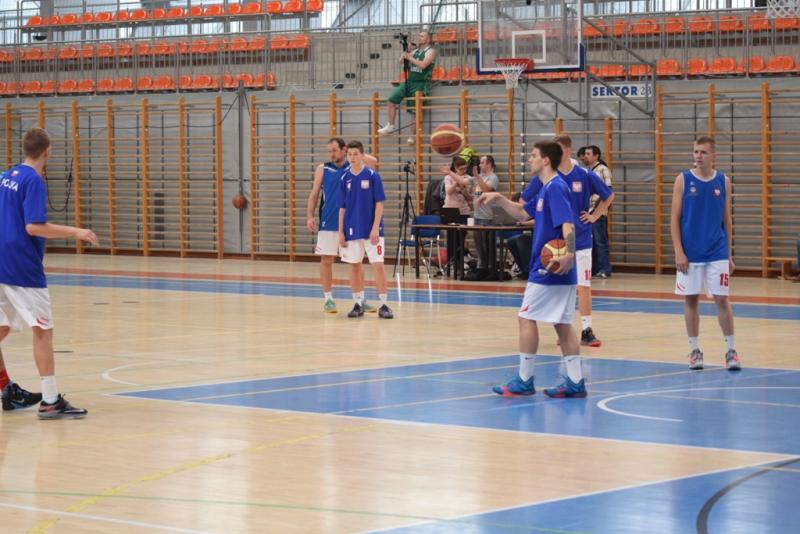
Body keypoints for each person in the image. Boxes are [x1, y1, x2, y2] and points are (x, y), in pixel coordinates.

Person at [0, 127, 97, 419]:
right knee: (42, 330)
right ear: (47, 151)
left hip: (2, 262)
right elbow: (33, 227)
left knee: (2, 328)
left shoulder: (6, 176)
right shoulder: (33, 180)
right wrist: (76, 231)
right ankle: (51, 400)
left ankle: (6, 388)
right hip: (21, 266)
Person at [478, 141, 586, 398]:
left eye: (534, 155)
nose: (530, 159)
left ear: (546, 160)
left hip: (549, 268)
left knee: (526, 317)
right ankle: (575, 381)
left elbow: (568, 224)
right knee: (562, 324)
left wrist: (570, 253)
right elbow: (521, 213)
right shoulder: (547, 188)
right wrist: (499, 198)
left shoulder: (556, 187)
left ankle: (525, 379)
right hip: (559, 269)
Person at [522, 136, 614, 347]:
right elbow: (524, 202)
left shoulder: (584, 174)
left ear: (567, 150)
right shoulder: (547, 176)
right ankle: (564, 330)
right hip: (553, 244)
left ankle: (587, 330)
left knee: (583, 285)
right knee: (561, 289)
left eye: (559, 149)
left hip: (580, 239)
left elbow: (608, 195)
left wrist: (595, 215)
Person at [670, 136, 741, 371]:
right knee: (691, 299)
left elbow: (726, 220)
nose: (698, 156)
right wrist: (679, 251)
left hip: (717, 251)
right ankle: (694, 351)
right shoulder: (683, 180)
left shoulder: (723, 181)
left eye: (703, 152)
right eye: (695, 152)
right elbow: (674, 218)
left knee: (722, 298)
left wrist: (728, 254)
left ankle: (731, 351)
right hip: (690, 253)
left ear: (713, 155)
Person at [306, 138, 378, 314]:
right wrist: (310, 216)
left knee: (356, 262)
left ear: (343, 150)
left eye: (334, 150)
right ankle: (328, 299)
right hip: (329, 220)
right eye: (329, 151)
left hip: (351, 222)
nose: (331, 154)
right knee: (326, 260)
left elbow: (374, 161)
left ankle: (360, 299)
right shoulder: (323, 169)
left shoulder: (354, 166)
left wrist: (353, 153)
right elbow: (314, 194)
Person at [338, 141, 394, 319]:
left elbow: (379, 204)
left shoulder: (372, 175)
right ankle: (357, 303)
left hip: (372, 230)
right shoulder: (344, 178)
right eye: (349, 154)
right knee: (354, 265)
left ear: (362, 156)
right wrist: (340, 232)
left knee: (378, 265)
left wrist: (375, 228)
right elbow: (342, 208)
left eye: (356, 154)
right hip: (351, 229)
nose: (352, 157)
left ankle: (384, 305)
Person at [377, 29, 437, 136]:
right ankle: (390, 126)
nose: (419, 38)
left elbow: (423, 65)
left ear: (428, 39)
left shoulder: (431, 51)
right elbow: (401, 61)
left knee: (415, 111)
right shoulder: (415, 51)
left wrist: (409, 57)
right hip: (409, 81)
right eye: (419, 36)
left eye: (422, 36)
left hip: (421, 83)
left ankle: (413, 136)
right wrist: (406, 51)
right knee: (391, 100)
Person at [469, 155, 500, 280]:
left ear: (489, 164)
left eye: (482, 163)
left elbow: (486, 189)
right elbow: (463, 181)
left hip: (487, 217)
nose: (480, 165)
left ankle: (491, 269)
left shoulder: (493, 178)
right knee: (479, 245)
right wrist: (450, 173)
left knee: (489, 246)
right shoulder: (479, 177)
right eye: (480, 163)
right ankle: (481, 268)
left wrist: (477, 176)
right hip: (477, 216)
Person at [585, 145, 613, 278]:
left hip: (598, 212)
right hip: (588, 211)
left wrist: (598, 209)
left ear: (596, 156)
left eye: (588, 154)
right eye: (585, 154)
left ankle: (605, 269)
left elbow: (608, 191)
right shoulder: (587, 171)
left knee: (600, 240)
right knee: (592, 242)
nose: (585, 156)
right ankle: (595, 268)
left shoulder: (603, 169)